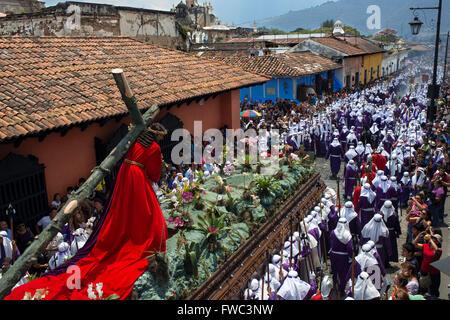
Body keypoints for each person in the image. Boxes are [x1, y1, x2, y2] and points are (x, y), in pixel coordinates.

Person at [6, 123, 169, 300]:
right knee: (146, 213)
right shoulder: (154, 148)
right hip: (137, 178)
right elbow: (154, 174)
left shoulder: (135, 141)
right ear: (158, 135)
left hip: (125, 175)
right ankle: (140, 240)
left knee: (121, 211)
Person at [414, 231, 442, 297]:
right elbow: (415, 244)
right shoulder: (426, 246)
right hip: (424, 270)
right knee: (423, 287)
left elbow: (437, 249)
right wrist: (418, 235)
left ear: (437, 242)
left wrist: (430, 239)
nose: (432, 239)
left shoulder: (439, 250)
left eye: (434, 239)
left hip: (434, 272)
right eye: (432, 238)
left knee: (434, 289)